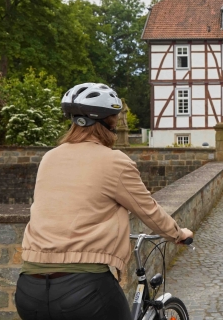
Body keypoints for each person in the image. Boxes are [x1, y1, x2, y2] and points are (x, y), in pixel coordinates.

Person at [15, 82, 193, 320]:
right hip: (85, 290)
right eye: (115, 120)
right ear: (108, 123)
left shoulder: (49, 157)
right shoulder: (114, 161)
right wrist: (178, 234)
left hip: (29, 289)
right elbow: (149, 211)